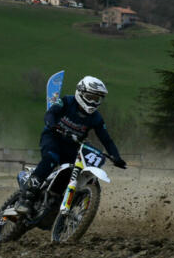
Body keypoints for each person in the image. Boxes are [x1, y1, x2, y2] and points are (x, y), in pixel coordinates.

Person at [15, 76, 126, 216]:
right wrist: (52, 125)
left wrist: (116, 157)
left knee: (75, 171)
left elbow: (106, 139)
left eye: (97, 99)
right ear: (80, 92)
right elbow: (51, 113)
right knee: (51, 158)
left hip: (73, 146)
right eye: (90, 97)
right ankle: (26, 198)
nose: (93, 102)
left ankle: (56, 200)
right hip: (53, 137)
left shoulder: (96, 118)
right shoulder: (67, 101)